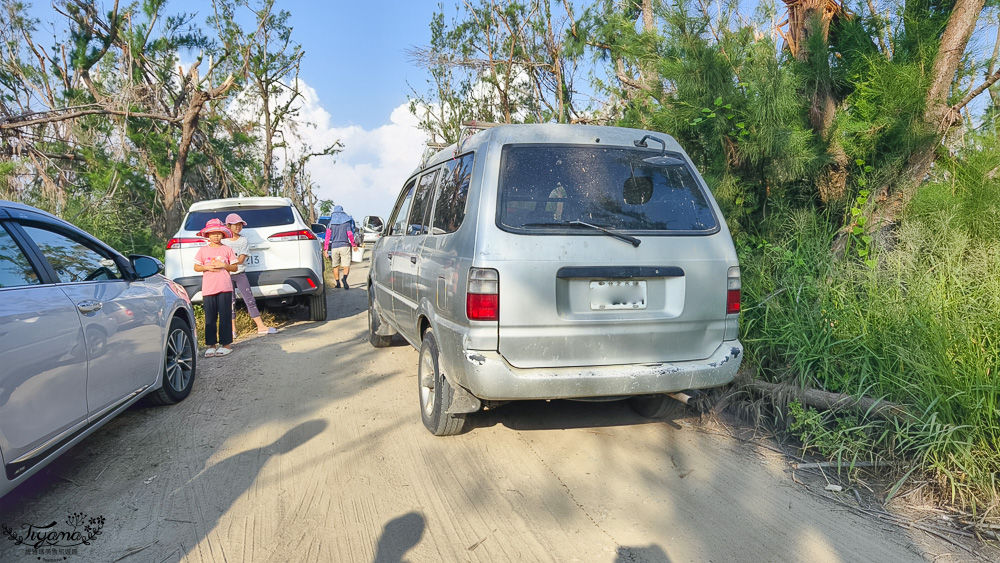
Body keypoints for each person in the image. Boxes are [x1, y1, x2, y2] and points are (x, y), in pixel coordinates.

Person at [223, 213, 277, 336]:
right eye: (235, 225)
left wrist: (227, 263)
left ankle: (261, 326)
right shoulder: (223, 241)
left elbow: (241, 259)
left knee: (249, 299)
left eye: (240, 225)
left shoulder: (243, 241)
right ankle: (232, 330)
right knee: (230, 302)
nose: (238, 227)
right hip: (225, 275)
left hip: (239, 273)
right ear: (228, 226)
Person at [193, 218, 238, 357]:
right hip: (208, 288)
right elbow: (196, 267)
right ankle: (211, 345)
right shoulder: (203, 250)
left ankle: (226, 344)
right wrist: (206, 267)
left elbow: (235, 267)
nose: (216, 236)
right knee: (210, 317)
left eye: (218, 233)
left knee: (225, 316)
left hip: (224, 287)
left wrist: (224, 265)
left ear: (223, 234)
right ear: (207, 235)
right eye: (212, 233)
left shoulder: (227, 249)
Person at [323, 205, 358, 290]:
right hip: (345, 246)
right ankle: (344, 278)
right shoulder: (346, 223)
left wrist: (325, 249)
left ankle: (338, 283)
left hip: (334, 247)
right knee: (346, 265)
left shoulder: (330, 224)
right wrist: (353, 245)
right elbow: (350, 234)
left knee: (335, 266)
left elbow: (327, 237)